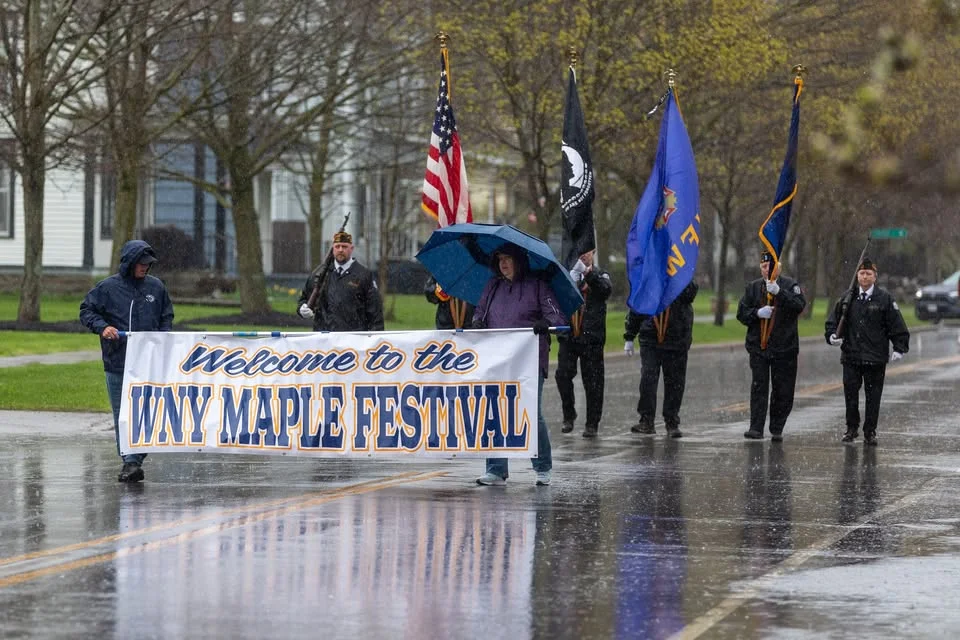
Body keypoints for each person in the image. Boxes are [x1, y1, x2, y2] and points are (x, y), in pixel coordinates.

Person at [79, 240, 174, 483]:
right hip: (117, 361)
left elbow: (166, 317)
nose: (145, 268)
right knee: (122, 413)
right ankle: (130, 462)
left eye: (148, 264)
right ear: (130, 263)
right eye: (141, 264)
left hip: (149, 363)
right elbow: (87, 311)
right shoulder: (108, 288)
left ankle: (135, 457)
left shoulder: (156, 287)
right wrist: (103, 328)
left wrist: (161, 339)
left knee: (148, 412)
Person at [471, 243, 565, 486]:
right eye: (500, 259)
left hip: (529, 360)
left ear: (519, 261)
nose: (503, 264)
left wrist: (545, 322)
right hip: (496, 360)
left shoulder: (537, 285)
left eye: (508, 259)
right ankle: (496, 469)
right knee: (494, 413)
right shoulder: (493, 286)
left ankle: (543, 467)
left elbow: (557, 316)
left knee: (531, 414)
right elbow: (480, 312)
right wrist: (477, 322)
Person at [824, 258, 909, 446]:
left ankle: (870, 431)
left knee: (873, 397)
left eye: (869, 274)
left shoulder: (884, 299)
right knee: (850, 395)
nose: (865, 277)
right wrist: (831, 336)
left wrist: (899, 347)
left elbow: (896, 324)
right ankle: (851, 429)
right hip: (851, 356)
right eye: (862, 273)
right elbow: (832, 321)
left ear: (875, 277)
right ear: (857, 276)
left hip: (875, 357)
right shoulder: (847, 298)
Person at [736, 251, 806, 442]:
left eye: (772, 266)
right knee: (759, 388)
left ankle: (776, 427)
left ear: (779, 268)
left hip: (785, 347)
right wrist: (757, 313)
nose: (768, 270)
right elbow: (741, 313)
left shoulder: (790, 285)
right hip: (759, 347)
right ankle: (756, 428)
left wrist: (779, 293)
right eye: (765, 266)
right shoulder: (753, 288)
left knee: (782, 390)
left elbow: (799, 305)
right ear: (761, 268)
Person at [624, 281, 698, 438]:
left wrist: (676, 280)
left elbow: (690, 294)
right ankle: (646, 420)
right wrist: (630, 335)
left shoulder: (682, 271)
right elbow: (638, 304)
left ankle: (672, 422)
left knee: (675, 382)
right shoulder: (651, 272)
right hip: (651, 336)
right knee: (648, 379)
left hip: (676, 336)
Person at [555, 250, 612, 438]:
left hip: (591, 338)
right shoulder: (567, 276)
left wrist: (588, 273)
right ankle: (568, 415)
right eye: (579, 253)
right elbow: (556, 301)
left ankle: (592, 423)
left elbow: (605, 290)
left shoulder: (600, 274)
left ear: (594, 253)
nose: (583, 256)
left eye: (587, 252)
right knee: (562, 375)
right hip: (570, 336)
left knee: (594, 382)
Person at [297, 230, 384, 332]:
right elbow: (304, 299)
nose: (340, 250)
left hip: (353, 340)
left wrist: (375, 338)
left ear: (351, 249)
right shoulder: (319, 273)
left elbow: (375, 312)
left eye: (344, 246)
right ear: (333, 248)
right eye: (337, 246)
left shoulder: (364, 275)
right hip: (324, 340)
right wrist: (302, 309)